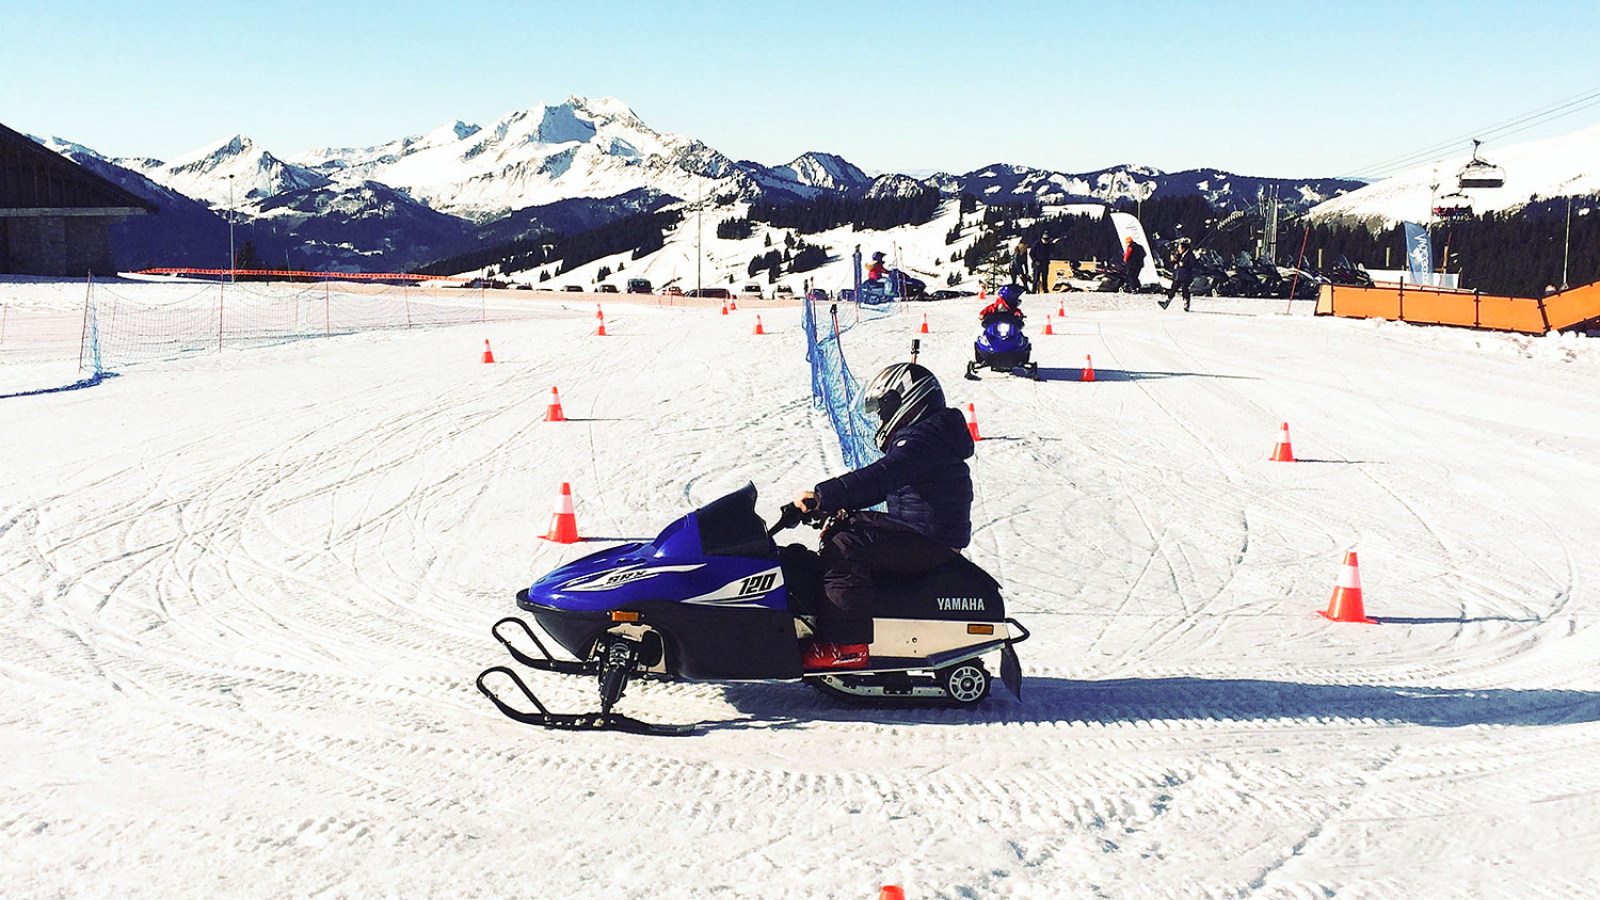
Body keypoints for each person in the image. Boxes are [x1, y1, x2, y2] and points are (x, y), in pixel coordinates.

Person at [791, 363, 975, 669]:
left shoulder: (923, 439)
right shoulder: (930, 434)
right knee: (844, 527)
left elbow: (882, 476)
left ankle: (846, 645)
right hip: (926, 530)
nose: (881, 417)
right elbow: (890, 485)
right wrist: (833, 507)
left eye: (884, 408)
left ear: (907, 399)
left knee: (846, 545)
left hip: (931, 539)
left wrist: (824, 495)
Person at [1161, 241, 1195, 311]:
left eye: (1179, 248)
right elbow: (1173, 264)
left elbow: (1194, 265)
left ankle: (1186, 304)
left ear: (1183, 248)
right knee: (1173, 289)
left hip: (1185, 276)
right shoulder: (1179, 255)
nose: (1178, 249)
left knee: (1184, 290)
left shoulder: (1190, 255)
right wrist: (1173, 261)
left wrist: (1185, 264)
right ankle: (1166, 302)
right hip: (1178, 276)